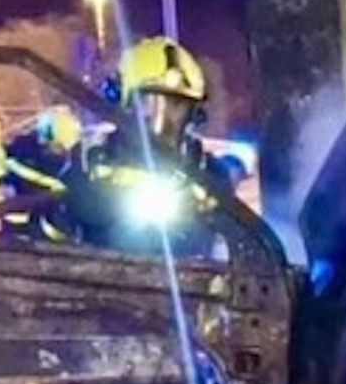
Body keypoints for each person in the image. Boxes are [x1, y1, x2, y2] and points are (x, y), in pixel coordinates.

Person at [64, 37, 232, 257]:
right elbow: (59, 230)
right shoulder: (90, 160)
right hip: (97, 283)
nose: (163, 117)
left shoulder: (209, 173)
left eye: (177, 107)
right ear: (122, 104)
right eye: (147, 102)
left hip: (190, 285)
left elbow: (229, 250)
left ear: (194, 114)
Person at [0, 106, 84, 242]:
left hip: (52, 227)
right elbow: (0, 166)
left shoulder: (71, 158)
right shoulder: (25, 148)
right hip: (21, 223)